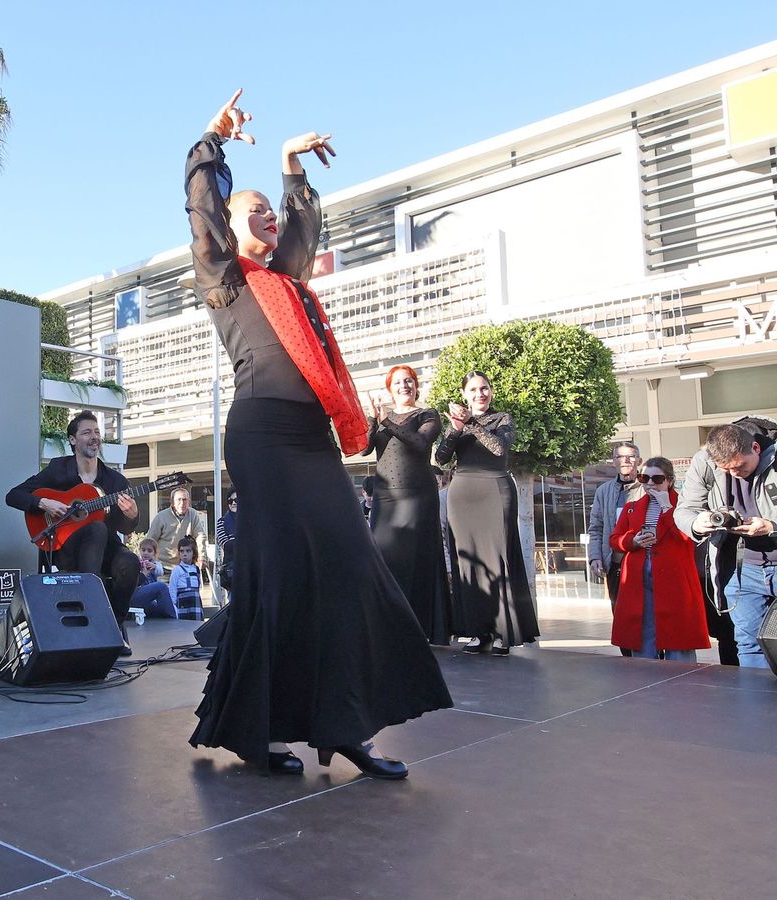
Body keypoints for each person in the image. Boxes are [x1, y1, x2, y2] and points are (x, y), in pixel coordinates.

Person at [184, 89, 451, 780]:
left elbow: (301, 239)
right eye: (255, 211)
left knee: (349, 568)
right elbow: (205, 214)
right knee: (276, 580)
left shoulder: (289, 285)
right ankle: (253, 729)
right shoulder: (227, 281)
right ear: (231, 229)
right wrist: (210, 143)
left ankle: (348, 726)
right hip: (262, 437)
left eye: (271, 211)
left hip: (311, 439)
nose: (268, 217)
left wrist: (288, 169)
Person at [7, 410, 141, 656]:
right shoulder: (58, 470)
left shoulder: (114, 481)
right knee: (97, 529)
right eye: (87, 432)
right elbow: (13, 495)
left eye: (97, 432)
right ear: (72, 440)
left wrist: (131, 515)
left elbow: (125, 527)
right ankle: (89, 620)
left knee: (130, 562)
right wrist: (44, 503)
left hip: (105, 547)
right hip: (65, 547)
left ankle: (114, 625)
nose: (94, 437)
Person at [436, 371, 539, 655]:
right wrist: (456, 429)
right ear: (464, 394)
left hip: (495, 489)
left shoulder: (502, 418)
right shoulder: (458, 423)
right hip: (463, 494)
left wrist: (472, 424)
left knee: (499, 558)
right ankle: (477, 631)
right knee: (469, 563)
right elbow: (440, 458)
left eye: (484, 388)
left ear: (491, 392)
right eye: (473, 390)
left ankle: (503, 632)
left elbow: (499, 448)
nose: (480, 394)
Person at [673, 420, 777, 668]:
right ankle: (756, 705)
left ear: (756, 448)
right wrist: (699, 522)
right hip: (740, 570)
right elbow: (684, 511)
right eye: (725, 469)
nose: (733, 474)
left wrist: (771, 527)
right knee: (749, 645)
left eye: (740, 466)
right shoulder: (705, 462)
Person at [362, 365, 451, 645]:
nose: (404, 386)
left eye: (409, 381)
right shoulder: (382, 416)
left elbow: (420, 442)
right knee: (384, 559)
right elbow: (363, 449)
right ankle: (387, 626)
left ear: (416, 386)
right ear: (390, 388)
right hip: (385, 496)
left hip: (416, 495)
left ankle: (419, 629)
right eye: (398, 382)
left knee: (415, 561)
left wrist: (387, 421)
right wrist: (372, 421)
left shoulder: (427, 414)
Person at [609, 458, 708, 661]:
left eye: (657, 478)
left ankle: (681, 682)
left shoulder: (685, 506)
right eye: (644, 478)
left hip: (675, 577)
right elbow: (615, 539)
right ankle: (644, 679)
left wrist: (667, 508)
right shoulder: (632, 507)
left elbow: (688, 537)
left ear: (669, 481)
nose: (650, 483)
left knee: (678, 636)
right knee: (642, 631)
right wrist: (632, 540)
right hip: (638, 577)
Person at [587, 442, 643, 656]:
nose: (626, 460)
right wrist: (595, 557)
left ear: (639, 460)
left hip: (641, 562)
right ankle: (627, 658)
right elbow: (596, 527)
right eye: (620, 457)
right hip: (615, 564)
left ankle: (651, 657)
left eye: (630, 456)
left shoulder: (647, 487)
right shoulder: (604, 491)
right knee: (620, 614)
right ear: (613, 462)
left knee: (644, 614)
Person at [148, 486, 208, 570]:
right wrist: (148, 560)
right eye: (178, 500)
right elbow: (150, 540)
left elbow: (200, 536)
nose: (182, 503)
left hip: (185, 565)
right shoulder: (161, 517)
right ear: (172, 502)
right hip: (163, 566)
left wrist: (202, 557)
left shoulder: (193, 514)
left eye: (184, 499)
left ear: (189, 501)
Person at [130, 537, 175, 619]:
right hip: (140, 590)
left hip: (150, 595)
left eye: (149, 551)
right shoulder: (137, 562)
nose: (146, 553)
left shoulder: (156, 563)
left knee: (157, 606)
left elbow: (160, 572)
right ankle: (171, 619)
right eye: (143, 550)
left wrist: (154, 567)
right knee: (161, 586)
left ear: (154, 553)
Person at [169, 536, 204, 620]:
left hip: (195, 603)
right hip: (182, 603)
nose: (185, 554)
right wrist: (173, 605)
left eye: (188, 551)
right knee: (183, 626)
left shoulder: (196, 569)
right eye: (182, 551)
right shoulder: (177, 570)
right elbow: (172, 588)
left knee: (196, 625)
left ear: (194, 553)